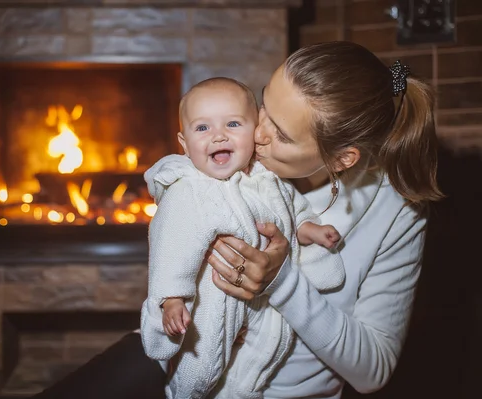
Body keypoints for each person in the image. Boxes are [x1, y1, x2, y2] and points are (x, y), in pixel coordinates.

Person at [31, 41, 442, 399]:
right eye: (264, 102)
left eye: (281, 134)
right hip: (180, 359)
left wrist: (281, 283)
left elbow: (374, 371)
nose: (255, 130)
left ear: (342, 158)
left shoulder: (396, 214)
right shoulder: (233, 156)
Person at [141, 77, 345, 399]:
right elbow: (170, 246)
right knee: (201, 364)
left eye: (233, 124)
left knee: (268, 349)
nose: (218, 135)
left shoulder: (265, 179)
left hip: (265, 303)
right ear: (183, 143)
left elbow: (291, 209)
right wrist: (171, 299)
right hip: (213, 304)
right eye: (202, 128)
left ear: (255, 132)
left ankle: (245, 391)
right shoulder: (188, 191)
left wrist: (310, 229)